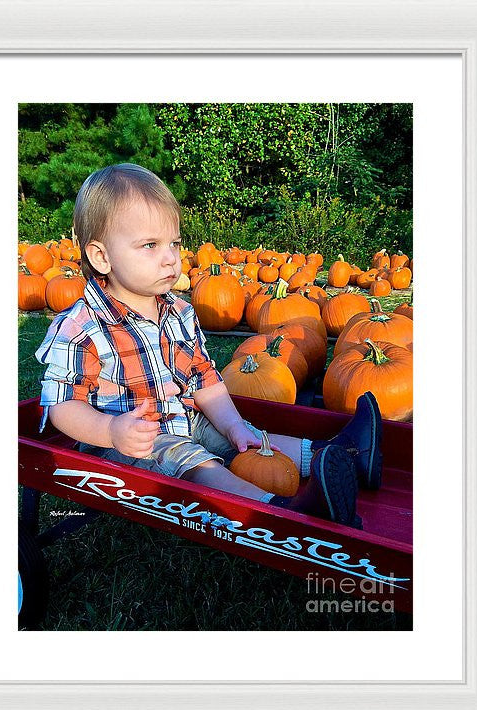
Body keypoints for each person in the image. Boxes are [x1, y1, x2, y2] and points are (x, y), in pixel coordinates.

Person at [35, 163, 383, 529]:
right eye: (150, 245)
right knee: (193, 460)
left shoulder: (179, 311)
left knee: (244, 436)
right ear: (101, 257)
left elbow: (204, 379)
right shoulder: (81, 326)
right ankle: (283, 511)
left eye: (174, 243)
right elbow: (62, 406)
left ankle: (348, 455)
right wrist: (110, 432)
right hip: (129, 443)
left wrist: (234, 426)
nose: (171, 257)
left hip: (185, 418)